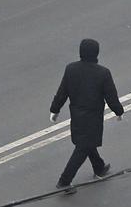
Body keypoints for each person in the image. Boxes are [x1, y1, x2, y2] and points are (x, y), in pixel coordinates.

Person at [49, 38, 124, 193]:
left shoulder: (71, 69)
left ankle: (99, 167)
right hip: (93, 118)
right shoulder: (103, 73)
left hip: (77, 115)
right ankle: (64, 181)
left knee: (86, 143)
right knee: (83, 147)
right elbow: (111, 97)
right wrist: (119, 112)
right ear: (96, 53)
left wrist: (55, 110)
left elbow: (62, 92)